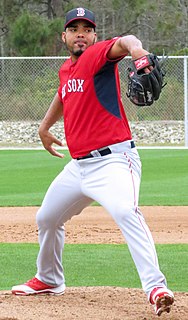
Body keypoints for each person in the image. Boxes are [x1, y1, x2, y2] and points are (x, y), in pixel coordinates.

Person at [12, 7, 174, 316]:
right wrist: (44, 127)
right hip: (79, 167)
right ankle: (48, 279)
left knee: (126, 211)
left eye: (87, 28)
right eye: (74, 29)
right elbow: (63, 94)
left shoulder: (98, 56)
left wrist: (138, 52)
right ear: (65, 36)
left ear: (95, 36)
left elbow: (126, 41)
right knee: (47, 218)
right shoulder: (66, 71)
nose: (81, 33)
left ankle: (155, 287)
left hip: (114, 160)